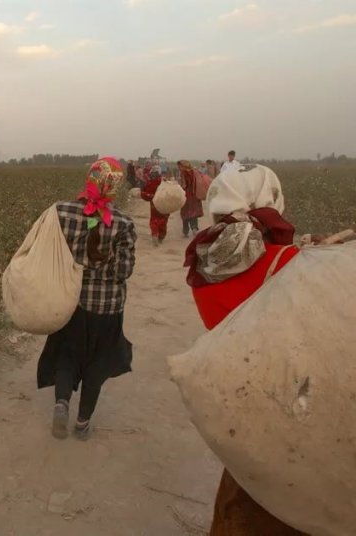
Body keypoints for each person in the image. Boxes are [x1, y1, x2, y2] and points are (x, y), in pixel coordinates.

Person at [184, 163, 308, 535]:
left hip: (241, 402)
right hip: (293, 408)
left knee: (240, 502)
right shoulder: (291, 263)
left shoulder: (204, 262)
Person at [37, 157, 136, 440]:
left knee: (67, 355)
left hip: (70, 303)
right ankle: (82, 423)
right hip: (107, 309)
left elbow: (47, 253)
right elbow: (124, 271)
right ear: (115, 186)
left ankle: (61, 402)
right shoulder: (124, 223)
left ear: (90, 178)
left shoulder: (61, 212)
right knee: (97, 364)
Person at [141, 167, 169, 246]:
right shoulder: (164, 181)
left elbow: (144, 194)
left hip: (154, 205)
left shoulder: (149, 182)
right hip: (164, 205)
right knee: (164, 220)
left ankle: (154, 234)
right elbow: (170, 192)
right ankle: (161, 237)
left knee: (154, 220)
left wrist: (149, 196)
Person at [177, 160, 204, 237]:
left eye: (180, 166)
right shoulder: (194, 172)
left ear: (184, 166)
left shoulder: (183, 173)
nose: (179, 168)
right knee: (193, 213)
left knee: (185, 213)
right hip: (194, 195)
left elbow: (184, 185)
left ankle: (185, 231)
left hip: (186, 195)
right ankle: (194, 228)